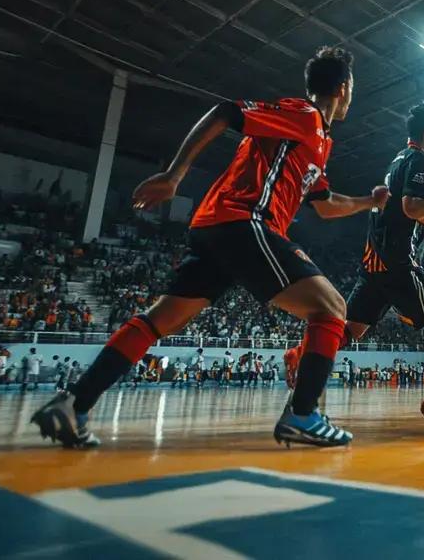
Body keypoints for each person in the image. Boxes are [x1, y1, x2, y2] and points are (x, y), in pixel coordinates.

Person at [31, 45, 388, 449]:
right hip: (244, 221)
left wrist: (369, 202)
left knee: (161, 319)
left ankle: (75, 403)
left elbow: (324, 205)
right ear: (343, 88)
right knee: (332, 308)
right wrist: (174, 174)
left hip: (216, 228)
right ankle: (303, 415)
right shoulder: (303, 116)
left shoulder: (319, 141)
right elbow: (226, 112)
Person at [345, 100, 424, 429]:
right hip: (399, 264)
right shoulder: (422, 160)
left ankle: (303, 353)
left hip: (373, 263)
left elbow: (411, 209)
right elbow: (413, 208)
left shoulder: (400, 159)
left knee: (350, 330)